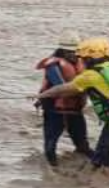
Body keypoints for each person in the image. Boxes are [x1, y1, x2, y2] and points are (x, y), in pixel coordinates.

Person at [37, 38, 109, 175]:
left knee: (103, 166)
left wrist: (42, 95)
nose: (80, 61)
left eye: (83, 58)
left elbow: (63, 89)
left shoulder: (91, 75)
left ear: (89, 58)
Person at [35, 31, 93, 166]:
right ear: (62, 51)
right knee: (51, 143)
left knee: (82, 143)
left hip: (75, 108)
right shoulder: (53, 65)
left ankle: (93, 161)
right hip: (54, 109)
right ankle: (52, 168)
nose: (74, 55)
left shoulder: (82, 61)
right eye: (70, 52)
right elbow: (60, 86)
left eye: (76, 51)